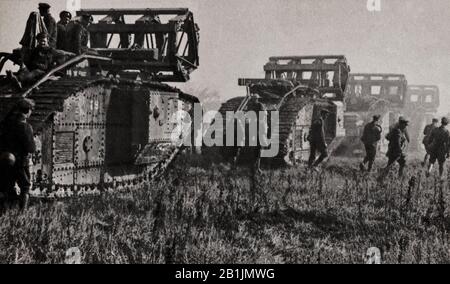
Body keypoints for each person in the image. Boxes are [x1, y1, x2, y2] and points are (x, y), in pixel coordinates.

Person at [0, 99, 36, 210]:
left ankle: (5, 210)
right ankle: (22, 212)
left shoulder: (6, 124)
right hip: (21, 162)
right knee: (25, 187)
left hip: (7, 160)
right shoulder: (25, 127)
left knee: (7, 186)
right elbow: (31, 148)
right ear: (28, 111)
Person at [9, 32, 76, 89]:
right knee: (24, 69)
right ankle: (16, 79)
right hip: (33, 69)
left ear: (47, 41)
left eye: (44, 41)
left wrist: (72, 54)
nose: (42, 43)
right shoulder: (35, 50)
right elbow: (28, 58)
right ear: (38, 41)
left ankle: (19, 80)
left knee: (35, 72)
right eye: (40, 41)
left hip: (44, 71)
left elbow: (62, 53)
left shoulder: (51, 51)